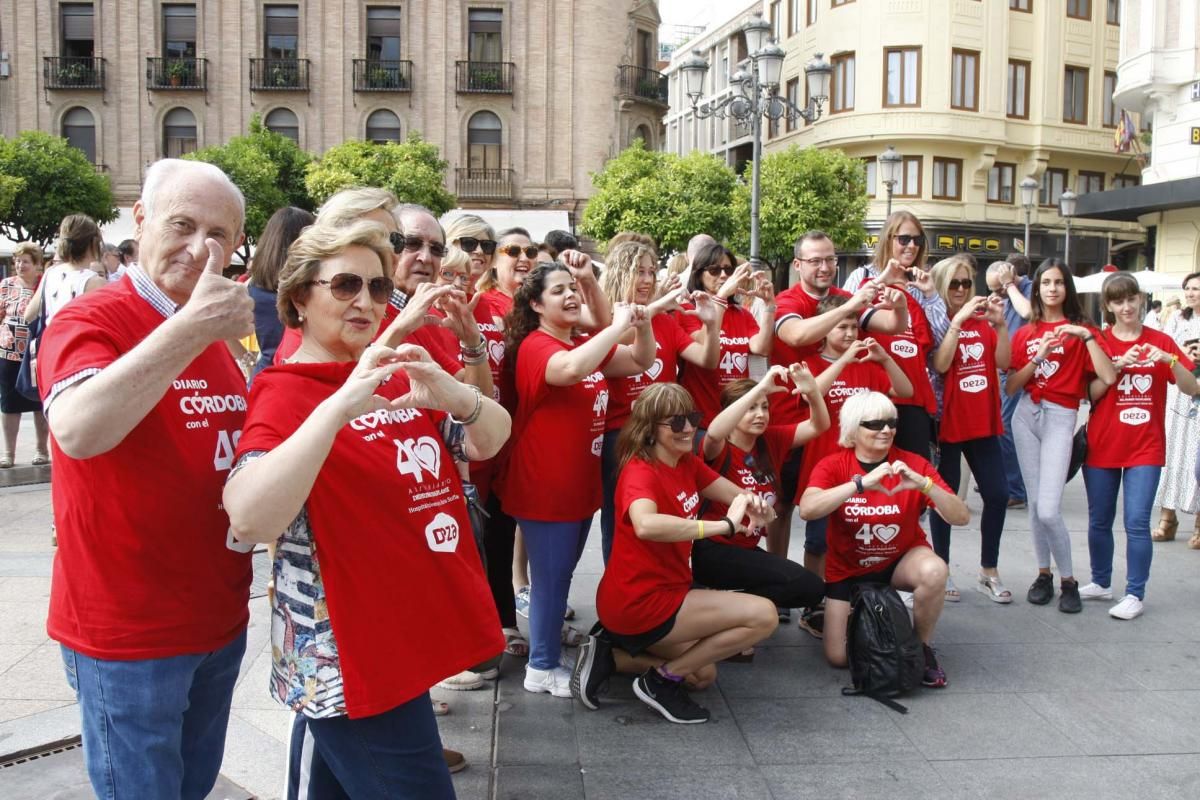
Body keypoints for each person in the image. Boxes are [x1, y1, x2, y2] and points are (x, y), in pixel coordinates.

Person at [224, 219, 509, 798]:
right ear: (299, 298)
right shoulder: (285, 390)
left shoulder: (394, 371)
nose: (366, 302)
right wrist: (335, 410)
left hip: (407, 638)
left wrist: (453, 393)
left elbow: (490, 440)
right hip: (351, 661)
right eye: (346, 285)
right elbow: (249, 518)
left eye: (379, 288)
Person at [36, 159, 255, 799]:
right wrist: (190, 329)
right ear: (140, 220)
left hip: (217, 618)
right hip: (129, 633)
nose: (199, 248)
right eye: (182, 225)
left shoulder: (219, 332)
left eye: (219, 234)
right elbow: (76, 430)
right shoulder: (92, 318)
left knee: (190, 787)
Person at [499, 262, 653, 698]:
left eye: (574, 289)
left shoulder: (581, 343)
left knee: (560, 575)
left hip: (576, 485)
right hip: (544, 486)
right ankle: (541, 667)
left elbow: (642, 360)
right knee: (549, 578)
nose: (571, 296)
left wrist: (640, 325)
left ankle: (547, 652)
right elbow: (566, 370)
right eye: (558, 291)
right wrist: (616, 325)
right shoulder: (536, 346)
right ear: (535, 304)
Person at [586, 383, 779, 723]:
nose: (689, 428)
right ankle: (658, 683)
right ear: (650, 429)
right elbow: (645, 524)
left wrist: (756, 506)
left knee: (701, 677)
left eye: (691, 418)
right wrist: (724, 527)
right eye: (676, 423)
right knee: (764, 615)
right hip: (640, 601)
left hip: (666, 591)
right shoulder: (640, 471)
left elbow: (738, 495)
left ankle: (610, 656)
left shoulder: (684, 461)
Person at [766, 231, 909, 595]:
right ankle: (780, 584)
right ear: (798, 265)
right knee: (780, 507)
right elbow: (796, 336)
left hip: (832, 431)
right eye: (815, 260)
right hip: (789, 421)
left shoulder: (845, 298)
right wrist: (848, 309)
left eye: (830, 259)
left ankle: (826, 592)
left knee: (829, 518)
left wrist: (896, 299)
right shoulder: (789, 299)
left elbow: (894, 325)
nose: (825, 267)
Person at [799, 391, 968, 685]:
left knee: (935, 570)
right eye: (875, 424)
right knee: (838, 659)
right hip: (847, 570)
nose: (886, 430)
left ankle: (920, 647)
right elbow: (808, 509)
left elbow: (960, 517)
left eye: (891, 422)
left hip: (899, 560)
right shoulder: (833, 464)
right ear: (853, 428)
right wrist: (860, 484)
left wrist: (924, 484)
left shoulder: (912, 463)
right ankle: (864, 617)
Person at [1082, 272, 1198, 619]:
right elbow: (1090, 393)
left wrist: (1169, 360)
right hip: (1103, 443)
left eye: (1132, 299)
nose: (1127, 306)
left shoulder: (1160, 339)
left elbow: (1193, 387)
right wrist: (1116, 367)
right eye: (1118, 301)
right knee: (1099, 520)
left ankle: (1135, 593)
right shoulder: (1099, 341)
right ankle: (1101, 581)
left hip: (1145, 447)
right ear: (1108, 306)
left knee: (1136, 521)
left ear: (1141, 300)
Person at [597, 240, 721, 562]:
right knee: (621, 517)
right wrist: (656, 307)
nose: (648, 280)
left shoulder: (666, 320)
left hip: (666, 432)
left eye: (652, 271)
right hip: (622, 435)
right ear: (621, 274)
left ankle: (669, 582)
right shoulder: (605, 320)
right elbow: (616, 339)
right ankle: (619, 590)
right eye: (639, 272)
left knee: (672, 508)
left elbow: (706, 359)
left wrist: (712, 323)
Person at [1007, 257, 1116, 612]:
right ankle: (1043, 574)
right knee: (1036, 506)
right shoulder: (1025, 332)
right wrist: (1037, 357)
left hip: (1060, 414)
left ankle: (1069, 579)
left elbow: (1108, 377)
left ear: (1067, 288)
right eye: (1045, 283)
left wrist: (1085, 337)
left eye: (1058, 282)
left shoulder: (1082, 330)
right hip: (1026, 415)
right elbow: (1011, 387)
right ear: (1036, 289)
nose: (1052, 289)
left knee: (1050, 509)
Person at [796, 294, 913, 604]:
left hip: (865, 467)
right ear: (823, 330)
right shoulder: (810, 365)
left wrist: (885, 358)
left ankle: (850, 598)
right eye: (840, 327)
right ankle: (814, 602)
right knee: (818, 540)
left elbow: (905, 391)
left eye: (852, 327)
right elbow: (810, 395)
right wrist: (844, 360)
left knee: (856, 537)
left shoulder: (869, 366)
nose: (849, 334)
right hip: (823, 465)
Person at [692, 367, 828, 629]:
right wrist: (760, 387)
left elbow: (818, 425)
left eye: (765, 407)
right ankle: (718, 614)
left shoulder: (770, 440)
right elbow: (714, 433)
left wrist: (811, 391)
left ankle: (718, 609)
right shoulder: (718, 447)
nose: (760, 415)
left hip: (746, 550)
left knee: (810, 588)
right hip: (713, 549)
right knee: (803, 584)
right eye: (751, 408)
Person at [928, 254, 1012, 602]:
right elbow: (941, 364)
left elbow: (1004, 363)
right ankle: (941, 569)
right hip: (948, 423)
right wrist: (958, 322)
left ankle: (987, 570)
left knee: (998, 494)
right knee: (946, 499)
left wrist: (1001, 325)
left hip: (983, 421)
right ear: (942, 286)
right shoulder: (937, 319)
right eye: (954, 283)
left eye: (966, 283)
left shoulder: (983, 321)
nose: (962, 289)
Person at [842, 212, 947, 461]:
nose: (911, 246)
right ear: (888, 239)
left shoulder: (922, 284)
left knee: (912, 477)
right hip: (871, 393)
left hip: (913, 398)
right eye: (904, 239)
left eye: (917, 240)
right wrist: (882, 281)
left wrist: (932, 296)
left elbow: (940, 345)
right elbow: (843, 313)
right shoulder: (863, 276)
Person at [679, 243, 774, 427]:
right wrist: (720, 297)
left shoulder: (741, 314)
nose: (723, 276)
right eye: (714, 270)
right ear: (699, 274)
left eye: (728, 270)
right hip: (702, 420)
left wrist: (769, 306)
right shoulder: (687, 310)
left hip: (738, 418)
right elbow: (705, 343)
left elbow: (761, 348)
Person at [1152, 272, 1200, 546]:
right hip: (1178, 394)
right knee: (1172, 456)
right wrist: (1182, 354)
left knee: (1197, 460)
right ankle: (1167, 518)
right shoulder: (1177, 319)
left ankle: (1198, 522)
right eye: (1188, 288)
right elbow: (1164, 348)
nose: (1191, 293)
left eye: (1197, 288)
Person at [985, 255, 1034, 510]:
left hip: (1023, 368)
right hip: (1005, 367)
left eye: (997, 287)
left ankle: (1016, 489)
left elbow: (1027, 311)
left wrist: (1010, 286)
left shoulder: (1029, 289)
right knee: (1003, 426)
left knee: (1005, 426)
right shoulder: (1004, 296)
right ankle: (1009, 480)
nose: (996, 293)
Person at [248, 206, 315, 379]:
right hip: (295, 377)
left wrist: (246, 360)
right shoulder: (308, 293)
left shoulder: (252, 287)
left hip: (263, 374)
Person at [0, 242, 49, 467]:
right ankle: (8, 453)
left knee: (39, 402)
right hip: (9, 353)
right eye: (17, 261)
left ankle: (41, 450)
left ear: (37, 264)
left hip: (37, 353)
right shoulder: (6, 285)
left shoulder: (44, 286)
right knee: (9, 403)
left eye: (25, 262)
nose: (20, 265)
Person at [24, 214, 106, 325]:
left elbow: (29, 315)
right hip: (78, 340)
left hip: (52, 338)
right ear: (93, 243)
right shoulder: (96, 282)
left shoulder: (51, 273)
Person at [445, 213, 496, 295]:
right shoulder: (426, 298)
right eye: (469, 243)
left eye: (486, 245)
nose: (480, 251)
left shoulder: (491, 306)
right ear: (450, 244)